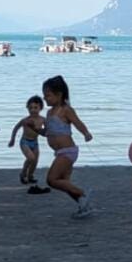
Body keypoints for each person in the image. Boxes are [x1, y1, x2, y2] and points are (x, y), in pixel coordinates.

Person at [41, 75, 95, 220]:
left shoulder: (66, 110)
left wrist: (86, 133)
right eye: (44, 96)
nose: (45, 99)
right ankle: (83, 205)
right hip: (59, 152)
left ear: (59, 95)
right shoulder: (48, 113)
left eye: (48, 95)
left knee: (52, 180)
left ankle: (82, 194)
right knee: (64, 182)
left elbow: (78, 123)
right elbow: (48, 133)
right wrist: (34, 129)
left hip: (68, 151)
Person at [10, 96, 49, 193]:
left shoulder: (43, 120)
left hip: (35, 142)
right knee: (31, 158)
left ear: (40, 108)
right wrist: (12, 139)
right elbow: (16, 128)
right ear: (27, 108)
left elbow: (47, 131)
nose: (33, 110)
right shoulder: (25, 120)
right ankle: (23, 173)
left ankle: (30, 176)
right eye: (30, 108)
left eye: (35, 107)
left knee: (35, 161)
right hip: (25, 142)